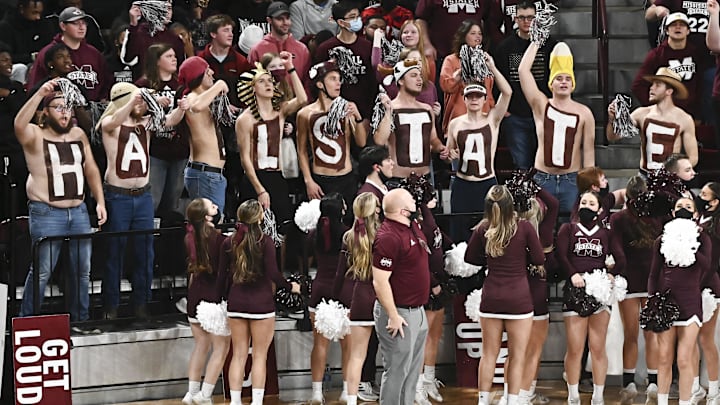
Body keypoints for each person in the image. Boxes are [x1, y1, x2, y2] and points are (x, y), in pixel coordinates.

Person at [15, 79, 106, 321]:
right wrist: (39, 95)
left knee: (82, 272)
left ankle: (81, 320)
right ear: (45, 112)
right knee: (42, 271)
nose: (65, 112)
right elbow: (19, 124)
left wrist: (100, 201)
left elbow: (91, 169)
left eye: (68, 107)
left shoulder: (77, 133)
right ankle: (28, 321)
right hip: (47, 212)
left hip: (77, 211)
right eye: (58, 107)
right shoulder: (35, 134)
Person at [97, 82, 187, 319]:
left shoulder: (145, 124)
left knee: (145, 252)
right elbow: (113, 121)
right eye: (139, 100)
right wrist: (131, 100)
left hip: (143, 196)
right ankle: (111, 306)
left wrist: (181, 108)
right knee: (115, 252)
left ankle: (142, 304)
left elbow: (170, 121)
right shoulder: (110, 125)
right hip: (118, 197)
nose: (142, 104)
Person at [465, 185, 544, 405]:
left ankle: (482, 401)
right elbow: (539, 259)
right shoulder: (525, 227)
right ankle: (512, 401)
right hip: (519, 299)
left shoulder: (482, 228)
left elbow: (471, 259)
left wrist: (492, 260)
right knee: (517, 356)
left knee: (489, 354)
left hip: (491, 298)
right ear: (511, 205)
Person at [218, 199, 301, 405]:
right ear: (260, 217)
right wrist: (291, 286)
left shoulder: (228, 242)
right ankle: (256, 402)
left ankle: (235, 402)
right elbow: (274, 273)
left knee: (238, 355)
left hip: (236, 304)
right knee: (259, 357)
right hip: (261, 306)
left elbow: (221, 278)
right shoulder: (266, 242)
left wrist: (221, 301)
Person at [557, 190, 626, 405]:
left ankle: (598, 395)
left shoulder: (606, 233)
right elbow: (561, 255)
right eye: (583, 202)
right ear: (578, 206)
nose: (587, 205)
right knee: (575, 347)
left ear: (599, 209)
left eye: (591, 202)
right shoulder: (568, 229)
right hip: (575, 290)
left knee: (598, 346)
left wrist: (611, 273)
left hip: (599, 291)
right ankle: (573, 394)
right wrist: (573, 274)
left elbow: (621, 258)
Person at [519, 40, 596, 214]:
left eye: (568, 78)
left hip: (572, 179)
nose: (563, 82)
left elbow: (589, 153)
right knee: (540, 226)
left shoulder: (585, 113)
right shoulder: (541, 105)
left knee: (568, 228)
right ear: (551, 82)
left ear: (573, 83)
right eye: (559, 78)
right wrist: (536, 41)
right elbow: (523, 72)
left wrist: (589, 187)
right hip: (542, 177)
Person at [648, 197, 711, 405]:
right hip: (667, 303)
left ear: (694, 214)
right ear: (673, 213)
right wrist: (652, 300)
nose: (683, 209)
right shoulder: (661, 240)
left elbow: (706, 266)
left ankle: (685, 402)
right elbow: (653, 274)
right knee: (664, 358)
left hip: (691, 303)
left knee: (684, 359)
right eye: (679, 207)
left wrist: (689, 244)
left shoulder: (703, 239)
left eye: (688, 207)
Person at [372, 188, 431, 404]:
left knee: (412, 371)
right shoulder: (388, 237)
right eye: (410, 199)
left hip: (418, 311)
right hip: (400, 313)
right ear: (403, 210)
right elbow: (380, 281)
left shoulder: (411, 226)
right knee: (397, 370)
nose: (414, 199)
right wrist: (393, 315)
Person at [609, 176, 664, 404]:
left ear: (628, 197)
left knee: (630, 335)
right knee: (651, 336)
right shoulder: (658, 217)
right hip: (652, 280)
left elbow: (618, 253)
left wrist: (615, 270)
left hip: (629, 279)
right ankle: (653, 382)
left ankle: (629, 383)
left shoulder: (619, 218)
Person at [235, 52, 307, 226]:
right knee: (254, 229)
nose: (268, 84)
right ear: (252, 88)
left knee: (283, 228)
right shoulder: (245, 119)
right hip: (255, 178)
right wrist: (260, 190)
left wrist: (290, 67)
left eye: (270, 81)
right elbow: (245, 158)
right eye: (262, 81)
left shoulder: (280, 111)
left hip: (277, 176)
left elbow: (303, 99)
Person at [445, 57, 511, 239]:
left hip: (487, 183)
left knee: (491, 231)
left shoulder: (492, 119)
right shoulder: (455, 124)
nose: (474, 100)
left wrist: (492, 67)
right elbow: (449, 153)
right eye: (470, 96)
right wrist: (450, 154)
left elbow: (507, 93)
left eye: (478, 96)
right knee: (460, 233)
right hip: (462, 185)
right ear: (464, 99)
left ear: (484, 99)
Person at [296, 60, 367, 213]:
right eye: (333, 79)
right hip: (320, 180)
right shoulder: (304, 114)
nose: (338, 83)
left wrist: (358, 117)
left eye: (339, 79)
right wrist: (308, 181)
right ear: (320, 84)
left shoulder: (347, 107)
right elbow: (301, 151)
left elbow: (361, 143)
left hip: (346, 178)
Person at [494, 0, 556, 170]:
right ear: (515, 19)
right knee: (521, 164)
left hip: (543, 112)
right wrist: (503, 108)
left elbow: (557, 77)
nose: (526, 21)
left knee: (543, 162)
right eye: (522, 17)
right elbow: (498, 79)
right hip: (515, 114)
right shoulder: (505, 47)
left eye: (530, 17)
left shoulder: (550, 44)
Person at [181, 198, 230, 405]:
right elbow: (223, 273)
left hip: (194, 297)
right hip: (213, 298)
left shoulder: (189, 237)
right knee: (221, 348)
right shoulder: (219, 240)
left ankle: (191, 393)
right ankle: (205, 395)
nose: (217, 207)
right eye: (212, 206)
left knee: (200, 345)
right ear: (207, 216)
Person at [607, 67, 697, 176]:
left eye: (657, 85)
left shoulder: (684, 119)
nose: (651, 88)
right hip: (645, 177)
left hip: (669, 179)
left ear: (669, 91)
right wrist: (612, 119)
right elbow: (613, 137)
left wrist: (678, 172)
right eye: (652, 84)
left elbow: (693, 157)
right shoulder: (641, 113)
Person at [373, 58, 450, 182]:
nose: (419, 79)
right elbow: (379, 141)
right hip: (398, 179)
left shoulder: (427, 109)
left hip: (425, 178)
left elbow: (433, 139)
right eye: (413, 76)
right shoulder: (390, 108)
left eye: (420, 75)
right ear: (401, 80)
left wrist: (441, 148)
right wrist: (388, 112)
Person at [135, 43, 188, 216]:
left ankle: (167, 241)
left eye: (174, 56)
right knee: (153, 200)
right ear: (157, 61)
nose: (174, 59)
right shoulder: (143, 85)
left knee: (173, 203)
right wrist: (153, 102)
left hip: (179, 151)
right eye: (169, 56)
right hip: (154, 151)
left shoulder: (180, 84)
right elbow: (133, 114)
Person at [308, 193, 350, 404]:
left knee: (319, 345)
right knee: (347, 346)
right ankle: (346, 391)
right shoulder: (348, 235)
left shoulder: (314, 234)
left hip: (319, 291)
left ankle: (316, 393)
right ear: (340, 211)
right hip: (342, 291)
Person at [341, 192, 382, 405]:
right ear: (374, 210)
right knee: (392, 356)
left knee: (356, 356)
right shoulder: (384, 234)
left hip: (358, 298)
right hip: (381, 298)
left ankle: (350, 401)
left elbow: (341, 274)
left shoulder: (348, 236)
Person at [178, 56, 230, 218]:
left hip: (210, 174)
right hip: (205, 174)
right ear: (198, 76)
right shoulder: (192, 97)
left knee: (214, 227)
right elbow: (196, 106)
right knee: (208, 228)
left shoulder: (205, 99)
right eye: (208, 71)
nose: (212, 73)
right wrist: (219, 85)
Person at [631, 12, 706, 118]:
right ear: (666, 30)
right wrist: (655, 108)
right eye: (673, 24)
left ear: (688, 31)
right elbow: (637, 86)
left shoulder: (696, 54)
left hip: (689, 114)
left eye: (682, 25)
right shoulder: (656, 55)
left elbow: (700, 86)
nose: (678, 27)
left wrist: (697, 115)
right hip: (663, 115)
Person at [28, 6, 111, 102]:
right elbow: (35, 87)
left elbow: (106, 82)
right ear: (63, 26)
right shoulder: (48, 53)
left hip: (93, 109)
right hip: (59, 110)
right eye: (75, 23)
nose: (81, 27)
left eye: (83, 23)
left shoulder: (94, 54)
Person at [315, 0, 376, 124]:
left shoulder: (367, 47)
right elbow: (316, 81)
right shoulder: (325, 49)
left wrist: (369, 116)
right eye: (352, 17)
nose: (357, 20)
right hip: (333, 114)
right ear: (341, 22)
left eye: (358, 16)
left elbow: (372, 81)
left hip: (364, 113)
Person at [439, 20, 495, 135]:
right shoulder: (451, 60)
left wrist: (493, 110)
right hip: (458, 119)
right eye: (473, 33)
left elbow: (489, 92)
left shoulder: (486, 60)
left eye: (480, 33)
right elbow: (446, 86)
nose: (477, 36)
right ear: (463, 36)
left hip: (483, 120)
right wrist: (460, 74)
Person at [694, 182, 720, 405]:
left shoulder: (716, 224)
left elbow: (712, 262)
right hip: (691, 284)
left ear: (715, 201)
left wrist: (701, 285)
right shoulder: (696, 218)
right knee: (690, 339)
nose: (698, 197)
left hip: (708, 284)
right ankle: (695, 388)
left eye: (703, 194)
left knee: (706, 339)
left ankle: (714, 390)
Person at [121, 0, 186, 80]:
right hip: (145, 86)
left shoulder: (175, 39)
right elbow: (128, 59)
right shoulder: (138, 32)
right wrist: (133, 25)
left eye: (169, 8)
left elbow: (181, 70)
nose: (166, 12)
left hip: (170, 88)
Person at [249, 2, 311, 83]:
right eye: (280, 19)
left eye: (287, 18)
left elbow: (307, 82)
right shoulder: (257, 50)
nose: (285, 22)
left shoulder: (302, 49)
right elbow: (252, 81)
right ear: (269, 20)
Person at [0, 45, 28, 218]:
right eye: (3, 60)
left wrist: (7, 95)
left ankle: (21, 218)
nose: (9, 64)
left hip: (16, 145)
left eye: (10, 60)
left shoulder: (16, 87)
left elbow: (22, 111)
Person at [0, 0, 54, 83]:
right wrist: (31, 57)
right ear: (22, 9)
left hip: (39, 64)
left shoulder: (44, 24)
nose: (38, 17)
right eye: (34, 12)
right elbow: (7, 58)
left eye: (40, 13)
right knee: (21, 68)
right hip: (17, 67)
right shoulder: (6, 27)